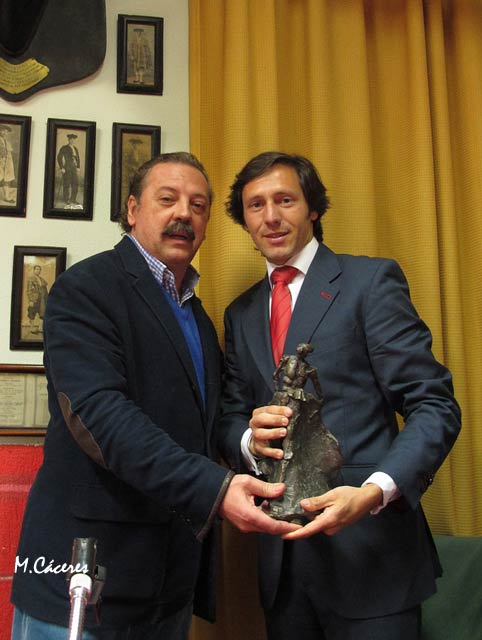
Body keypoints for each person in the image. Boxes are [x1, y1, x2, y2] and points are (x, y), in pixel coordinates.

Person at [10, 152, 298, 640]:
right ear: (132, 210)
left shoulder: (203, 321)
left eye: (198, 205)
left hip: (168, 588)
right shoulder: (85, 288)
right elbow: (100, 417)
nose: (184, 213)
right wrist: (218, 489)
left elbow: (203, 433)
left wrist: (251, 441)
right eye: (167, 199)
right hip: (83, 582)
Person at [220, 151, 461, 640]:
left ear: (312, 208)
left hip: (371, 561)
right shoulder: (239, 313)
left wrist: (376, 491)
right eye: (255, 205)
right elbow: (227, 416)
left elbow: (434, 405)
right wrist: (248, 440)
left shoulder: (369, 282)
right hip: (281, 570)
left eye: (285, 200)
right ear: (243, 220)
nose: (270, 217)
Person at [57, 132, 81, 208]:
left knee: (75, 183)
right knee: (67, 184)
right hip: (67, 168)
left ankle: (73, 199)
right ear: (68, 139)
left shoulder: (76, 149)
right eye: (71, 139)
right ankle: (66, 199)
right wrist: (61, 167)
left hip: (74, 168)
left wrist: (78, 167)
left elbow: (78, 158)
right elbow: (59, 157)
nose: (72, 140)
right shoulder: (64, 147)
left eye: (73, 139)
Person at [25, 264, 49, 335]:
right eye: (36, 269)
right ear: (34, 270)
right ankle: (32, 328)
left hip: (42, 299)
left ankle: (40, 328)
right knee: (32, 312)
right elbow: (29, 291)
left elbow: (45, 290)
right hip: (35, 299)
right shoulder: (31, 279)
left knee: (42, 313)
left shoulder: (41, 279)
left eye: (39, 269)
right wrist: (31, 300)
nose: (38, 271)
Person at [0, 123, 16, 204]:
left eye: (6, 131)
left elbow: (8, 153)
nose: (4, 132)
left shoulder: (6, 142)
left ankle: (6, 197)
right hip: (0, 162)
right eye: (2, 130)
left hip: (6, 163)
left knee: (6, 180)